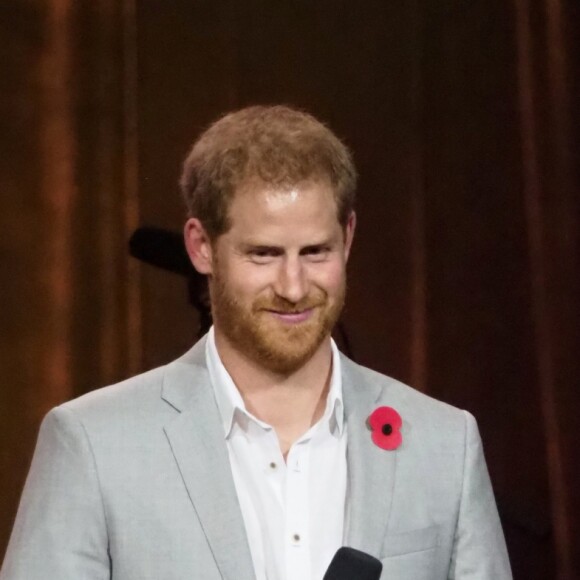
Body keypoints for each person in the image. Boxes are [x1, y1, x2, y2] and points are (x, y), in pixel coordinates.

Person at [0, 106, 512, 580]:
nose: (293, 287)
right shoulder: (93, 445)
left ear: (349, 236)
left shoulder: (444, 445)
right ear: (202, 247)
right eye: (264, 254)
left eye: (315, 252)